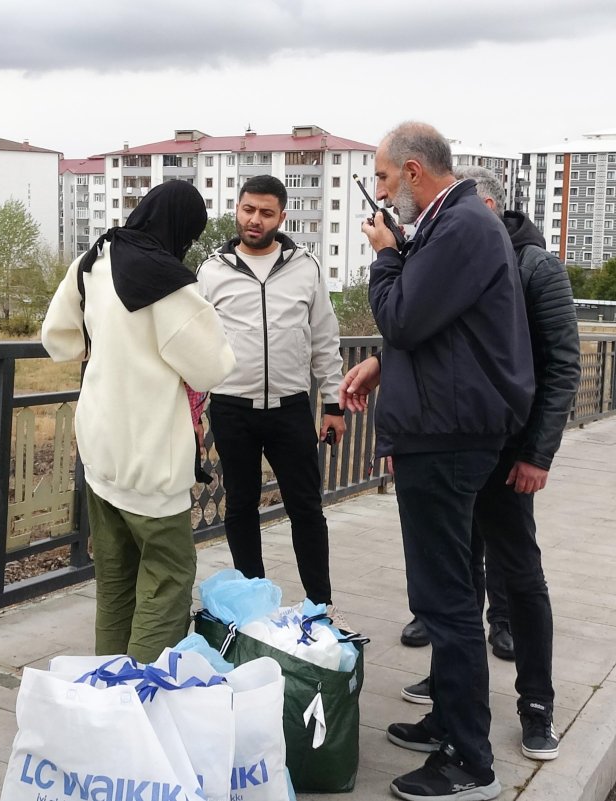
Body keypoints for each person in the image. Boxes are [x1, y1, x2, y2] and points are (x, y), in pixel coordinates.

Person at [346, 122, 534, 801]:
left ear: (416, 173)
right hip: (448, 427)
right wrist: (379, 365)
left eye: (386, 180)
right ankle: (448, 721)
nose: (383, 195)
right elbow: (433, 329)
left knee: (444, 598)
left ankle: (469, 759)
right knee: (449, 589)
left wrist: (385, 254)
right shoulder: (456, 224)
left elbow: (402, 316)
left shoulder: (455, 227)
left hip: (447, 436)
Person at [384, 166, 580, 761]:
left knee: (519, 577)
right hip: (465, 439)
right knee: (458, 579)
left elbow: (563, 366)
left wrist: (538, 454)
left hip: (510, 450)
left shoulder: (534, 267)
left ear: (487, 205)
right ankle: (451, 696)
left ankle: (536, 704)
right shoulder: (461, 256)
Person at [41, 180, 235, 663]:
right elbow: (212, 366)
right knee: (166, 580)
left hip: (101, 454)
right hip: (152, 462)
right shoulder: (170, 286)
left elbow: (58, 339)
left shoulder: (92, 261)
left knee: (115, 582)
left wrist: (108, 346)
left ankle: (107, 693)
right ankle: (144, 703)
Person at [194, 174, 345, 609]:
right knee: (241, 507)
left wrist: (332, 403)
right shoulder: (212, 270)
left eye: (265, 212)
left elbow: (324, 338)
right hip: (232, 407)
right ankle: (253, 604)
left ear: (281, 216)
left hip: (290, 408)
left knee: (306, 509)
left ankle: (320, 605)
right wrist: (194, 407)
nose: (254, 220)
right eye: (247, 210)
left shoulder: (305, 266)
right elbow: (196, 342)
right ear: (237, 210)